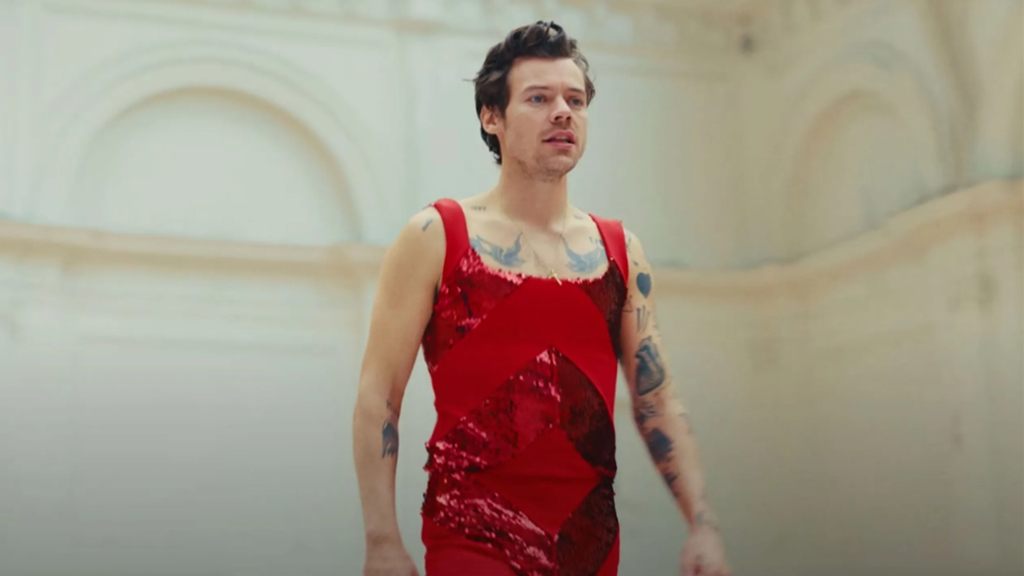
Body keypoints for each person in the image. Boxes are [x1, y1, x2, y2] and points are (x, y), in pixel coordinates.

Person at [352, 20, 731, 576]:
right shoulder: (437, 235)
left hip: (590, 545)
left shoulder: (621, 250)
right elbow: (378, 397)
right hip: (472, 536)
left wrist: (702, 524)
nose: (563, 112)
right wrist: (382, 541)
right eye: (539, 98)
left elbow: (656, 398)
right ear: (492, 117)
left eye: (575, 100)